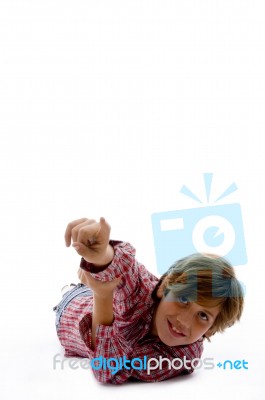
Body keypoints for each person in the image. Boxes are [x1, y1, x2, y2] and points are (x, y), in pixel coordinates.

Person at [54, 217, 244, 384]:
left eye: (203, 315)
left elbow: (106, 369)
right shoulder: (141, 291)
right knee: (111, 279)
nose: (184, 321)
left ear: (210, 329)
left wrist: (102, 296)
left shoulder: (183, 357)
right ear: (163, 287)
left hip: (98, 294)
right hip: (74, 305)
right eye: (184, 299)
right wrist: (102, 254)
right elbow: (125, 268)